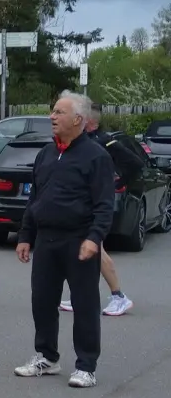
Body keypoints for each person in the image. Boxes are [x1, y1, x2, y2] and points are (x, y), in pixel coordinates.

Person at [13, 91, 115, 389]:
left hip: (79, 240)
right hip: (46, 240)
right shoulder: (46, 154)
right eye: (53, 111)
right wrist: (25, 235)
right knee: (42, 301)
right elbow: (36, 198)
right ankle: (47, 357)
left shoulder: (96, 156)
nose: (52, 117)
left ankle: (86, 366)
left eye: (58, 112)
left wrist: (94, 238)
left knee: (85, 304)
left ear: (78, 120)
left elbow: (105, 204)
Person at [60, 106, 136, 316]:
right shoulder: (83, 143)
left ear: (88, 122)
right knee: (84, 254)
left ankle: (119, 296)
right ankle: (81, 296)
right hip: (83, 204)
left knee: (97, 252)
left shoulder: (104, 141)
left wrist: (118, 182)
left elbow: (134, 163)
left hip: (96, 206)